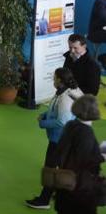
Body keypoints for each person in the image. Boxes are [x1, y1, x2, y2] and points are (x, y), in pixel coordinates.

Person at [25, 67, 83, 209]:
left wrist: (42, 123)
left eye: (54, 78)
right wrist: (45, 115)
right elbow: (54, 110)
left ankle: (44, 200)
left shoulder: (65, 98)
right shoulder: (64, 92)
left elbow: (61, 121)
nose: (53, 80)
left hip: (60, 140)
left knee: (50, 169)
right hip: (67, 138)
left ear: (60, 81)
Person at [53, 94, 103, 214]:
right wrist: (101, 156)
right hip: (80, 190)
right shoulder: (86, 133)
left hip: (64, 184)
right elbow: (85, 161)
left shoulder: (70, 125)